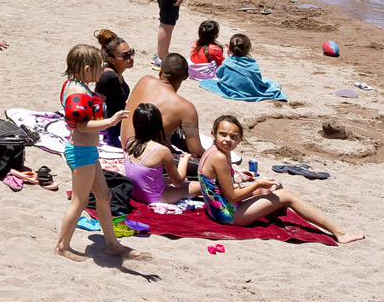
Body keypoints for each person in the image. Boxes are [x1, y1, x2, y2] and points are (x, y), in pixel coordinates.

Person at [199, 115, 363, 243]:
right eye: (223, 135)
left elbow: (220, 186)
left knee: (273, 187)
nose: (228, 140)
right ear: (213, 133)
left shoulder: (216, 151)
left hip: (215, 208)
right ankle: (340, 233)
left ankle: (271, 207)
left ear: (240, 139)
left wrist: (256, 186)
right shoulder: (219, 157)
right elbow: (232, 197)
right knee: (287, 195)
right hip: (226, 215)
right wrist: (257, 184)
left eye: (233, 137)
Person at [54, 44, 139, 262]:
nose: (101, 72)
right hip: (80, 151)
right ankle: (62, 246)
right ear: (86, 68)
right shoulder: (78, 92)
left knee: (104, 196)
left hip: (87, 151)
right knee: (79, 201)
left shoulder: (73, 85)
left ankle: (112, 244)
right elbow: (81, 126)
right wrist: (110, 121)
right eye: (98, 68)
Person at [121, 53, 202, 156]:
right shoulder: (186, 108)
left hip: (126, 146)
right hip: (146, 157)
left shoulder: (144, 80)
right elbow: (196, 151)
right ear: (186, 76)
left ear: (161, 71)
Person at [124, 103, 201, 205]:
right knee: (201, 186)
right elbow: (178, 183)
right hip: (155, 197)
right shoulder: (162, 151)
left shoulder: (130, 143)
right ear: (158, 125)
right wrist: (184, 160)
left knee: (165, 179)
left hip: (135, 192)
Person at [94, 29, 136, 148]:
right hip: (115, 128)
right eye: (126, 56)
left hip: (123, 121)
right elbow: (96, 104)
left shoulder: (117, 72)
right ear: (111, 60)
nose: (131, 57)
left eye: (131, 52)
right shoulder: (109, 76)